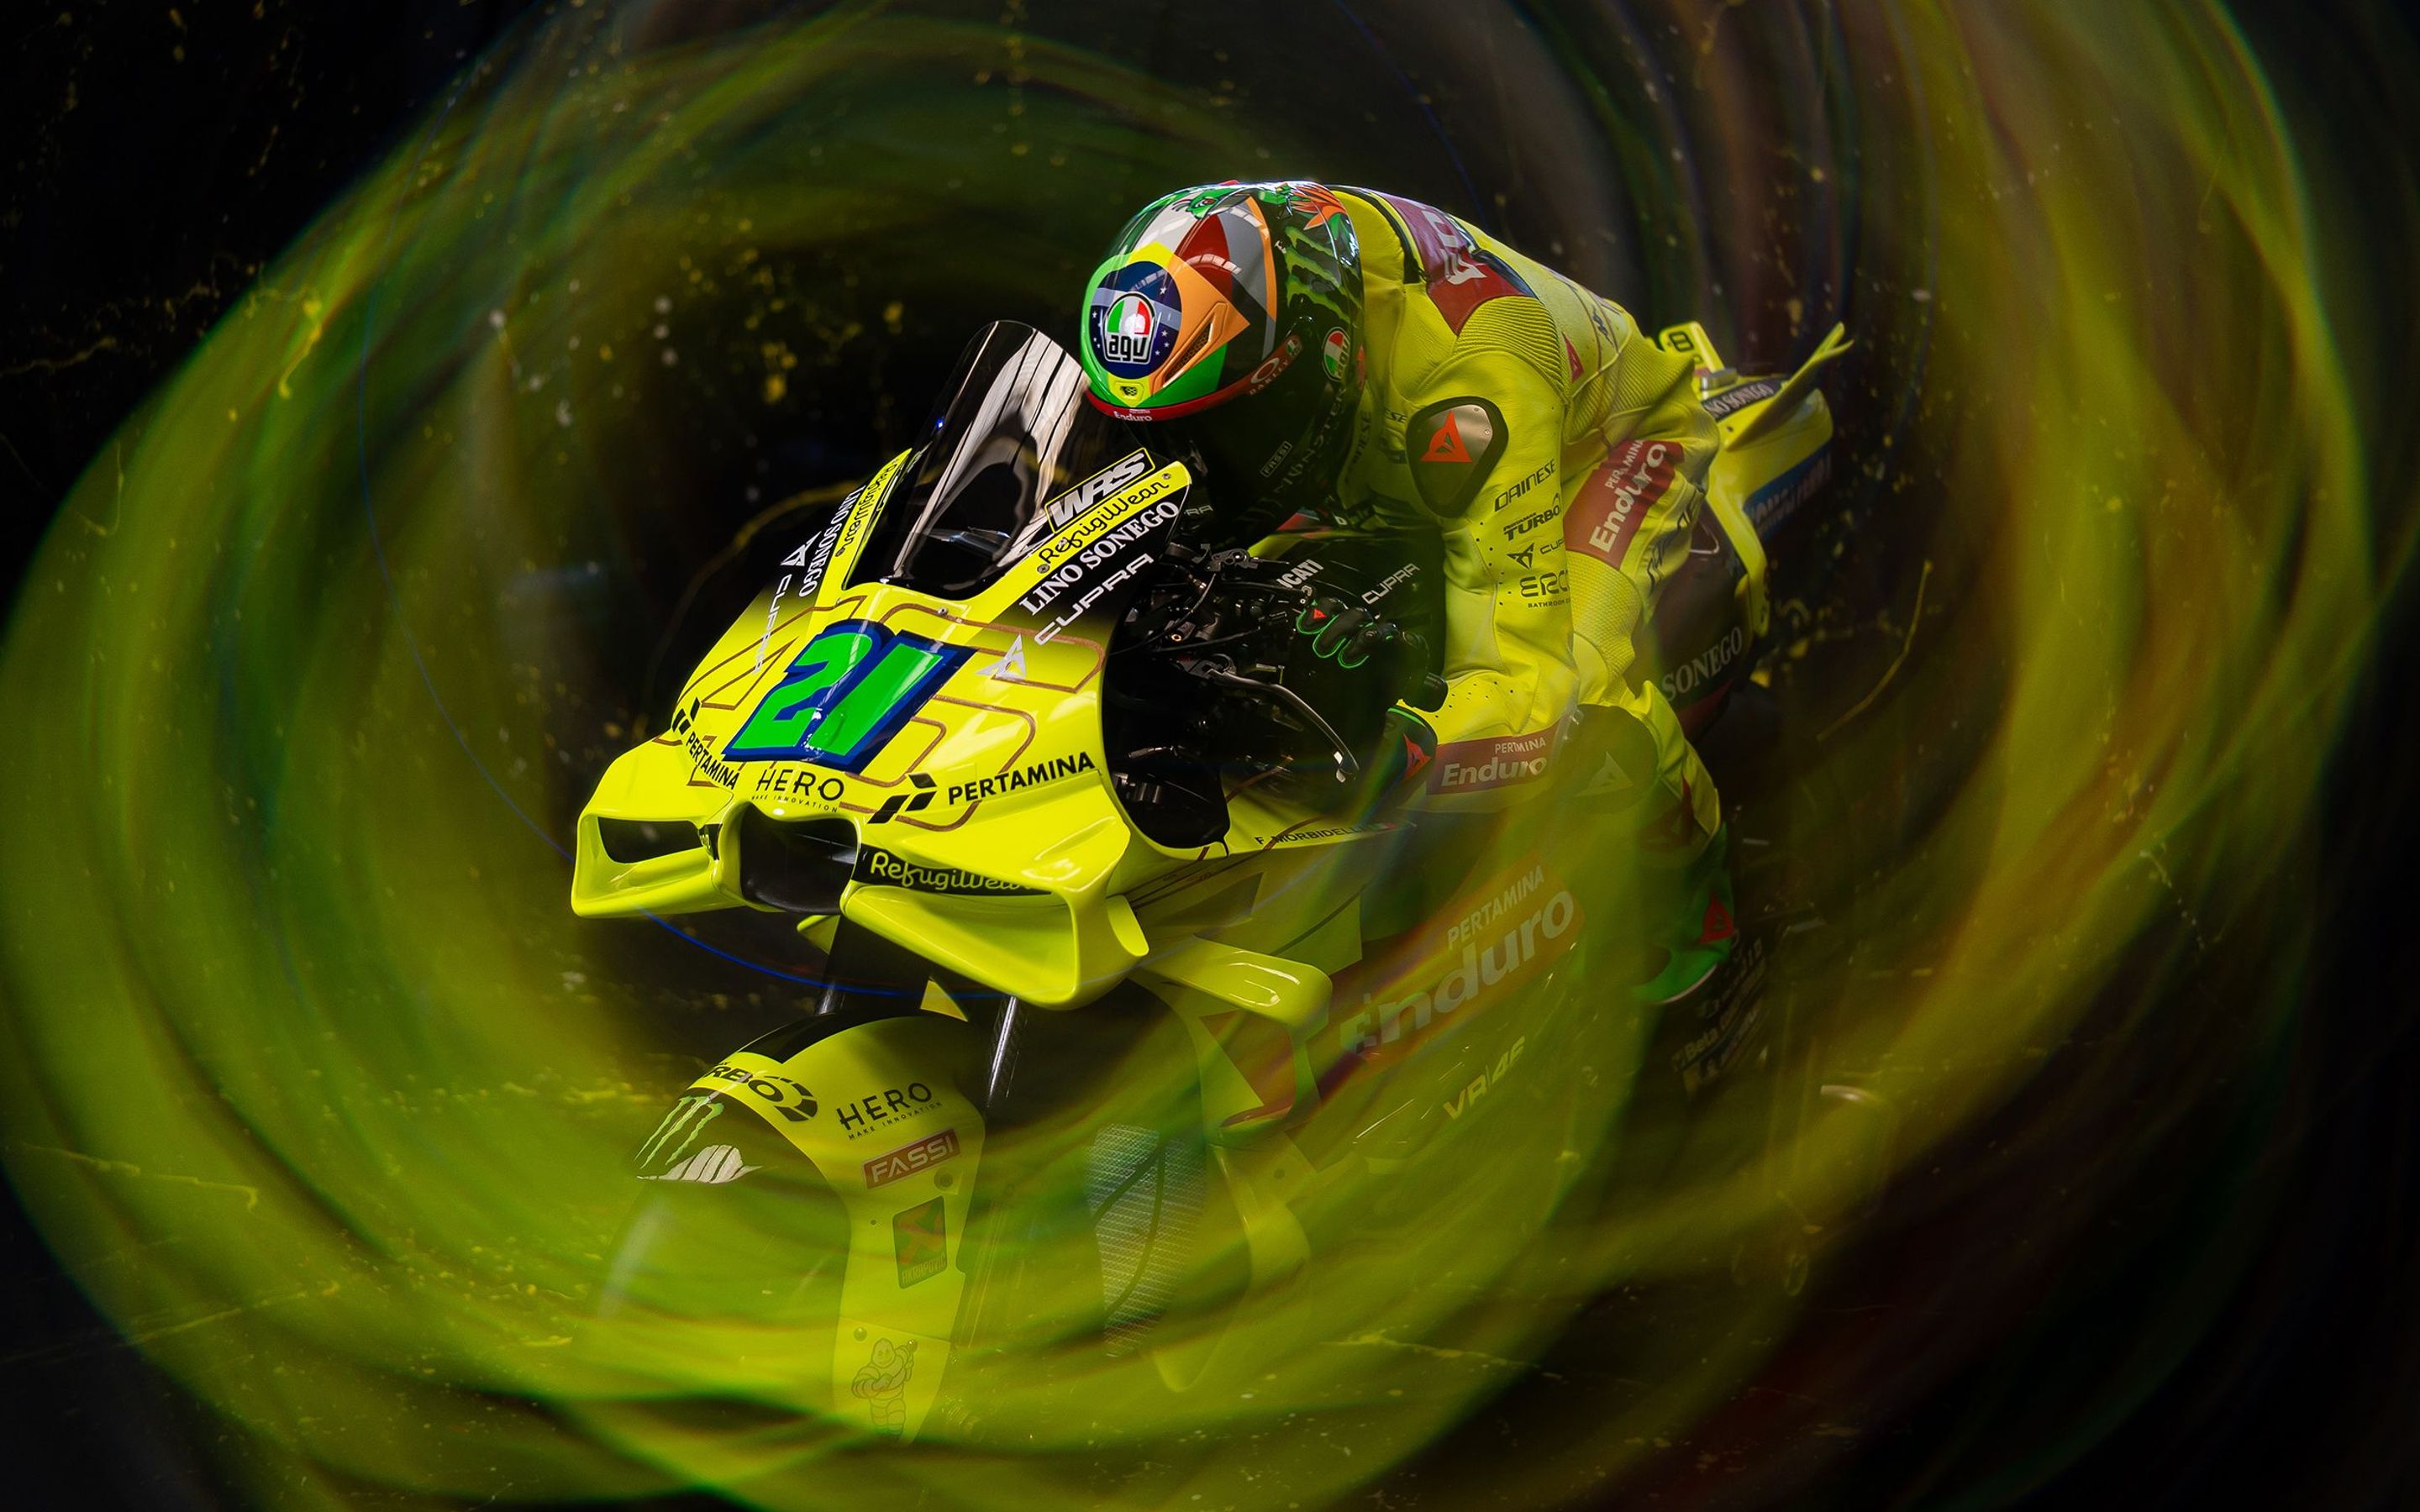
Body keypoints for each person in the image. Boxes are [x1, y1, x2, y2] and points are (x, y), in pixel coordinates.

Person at [1076, 181, 1766, 1004]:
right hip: (1391, 449)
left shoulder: (1469, 394)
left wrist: (1397, 751)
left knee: (1586, 698)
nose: (1191, 470)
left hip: (1605, 444)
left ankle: (1700, 928)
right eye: (1168, 437)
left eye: (1223, 431)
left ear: (1320, 357)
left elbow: (1532, 690)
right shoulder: (1239, 279)